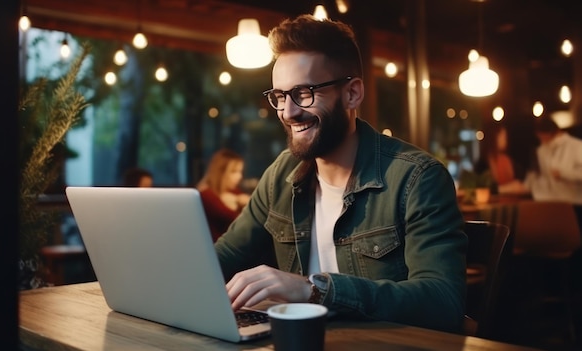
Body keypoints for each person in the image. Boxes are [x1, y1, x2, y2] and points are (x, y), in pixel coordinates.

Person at [214, 15, 467, 333]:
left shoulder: (418, 178)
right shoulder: (281, 175)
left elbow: (443, 302)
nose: (289, 112)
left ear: (352, 94)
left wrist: (313, 290)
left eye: (304, 92)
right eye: (280, 96)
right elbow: (222, 259)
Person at [524, 116, 582, 225]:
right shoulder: (541, 150)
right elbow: (539, 178)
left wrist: (564, 173)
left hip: (575, 206)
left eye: (544, 137)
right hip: (552, 206)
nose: (543, 141)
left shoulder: (576, 146)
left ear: (553, 133)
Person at [197, 149, 251, 242]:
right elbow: (234, 221)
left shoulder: (234, 192)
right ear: (221, 172)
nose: (239, 176)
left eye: (240, 172)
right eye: (234, 171)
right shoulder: (206, 194)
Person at [474, 122, 527, 194]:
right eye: (503, 136)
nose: (506, 140)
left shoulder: (507, 160)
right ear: (494, 137)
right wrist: (507, 188)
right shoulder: (482, 163)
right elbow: (480, 189)